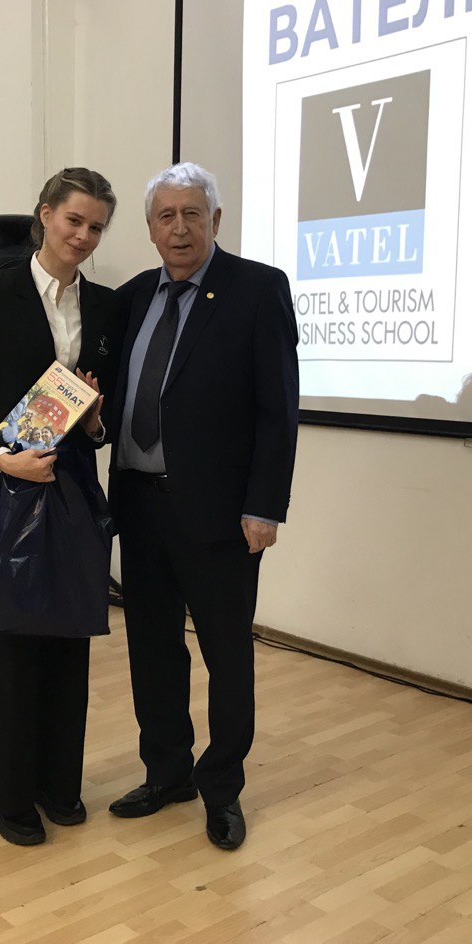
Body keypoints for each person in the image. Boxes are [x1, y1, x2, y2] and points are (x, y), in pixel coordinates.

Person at [104, 163, 299, 850]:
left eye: (193, 214)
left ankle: (222, 789)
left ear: (216, 220)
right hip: (139, 507)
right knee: (153, 649)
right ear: (150, 228)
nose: (180, 228)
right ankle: (167, 773)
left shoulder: (258, 290)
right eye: (166, 216)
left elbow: (278, 411)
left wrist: (264, 507)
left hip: (221, 515)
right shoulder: (132, 297)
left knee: (226, 654)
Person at [0, 168, 119, 846]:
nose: (83, 236)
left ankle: (58, 784)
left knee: (67, 645)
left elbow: (100, 414)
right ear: (44, 215)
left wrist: (98, 423)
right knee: (9, 654)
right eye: (74, 220)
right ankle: (8, 794)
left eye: (96, 227)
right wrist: (2, 457)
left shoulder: (104, 305)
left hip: (70, 494)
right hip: (3, 492)